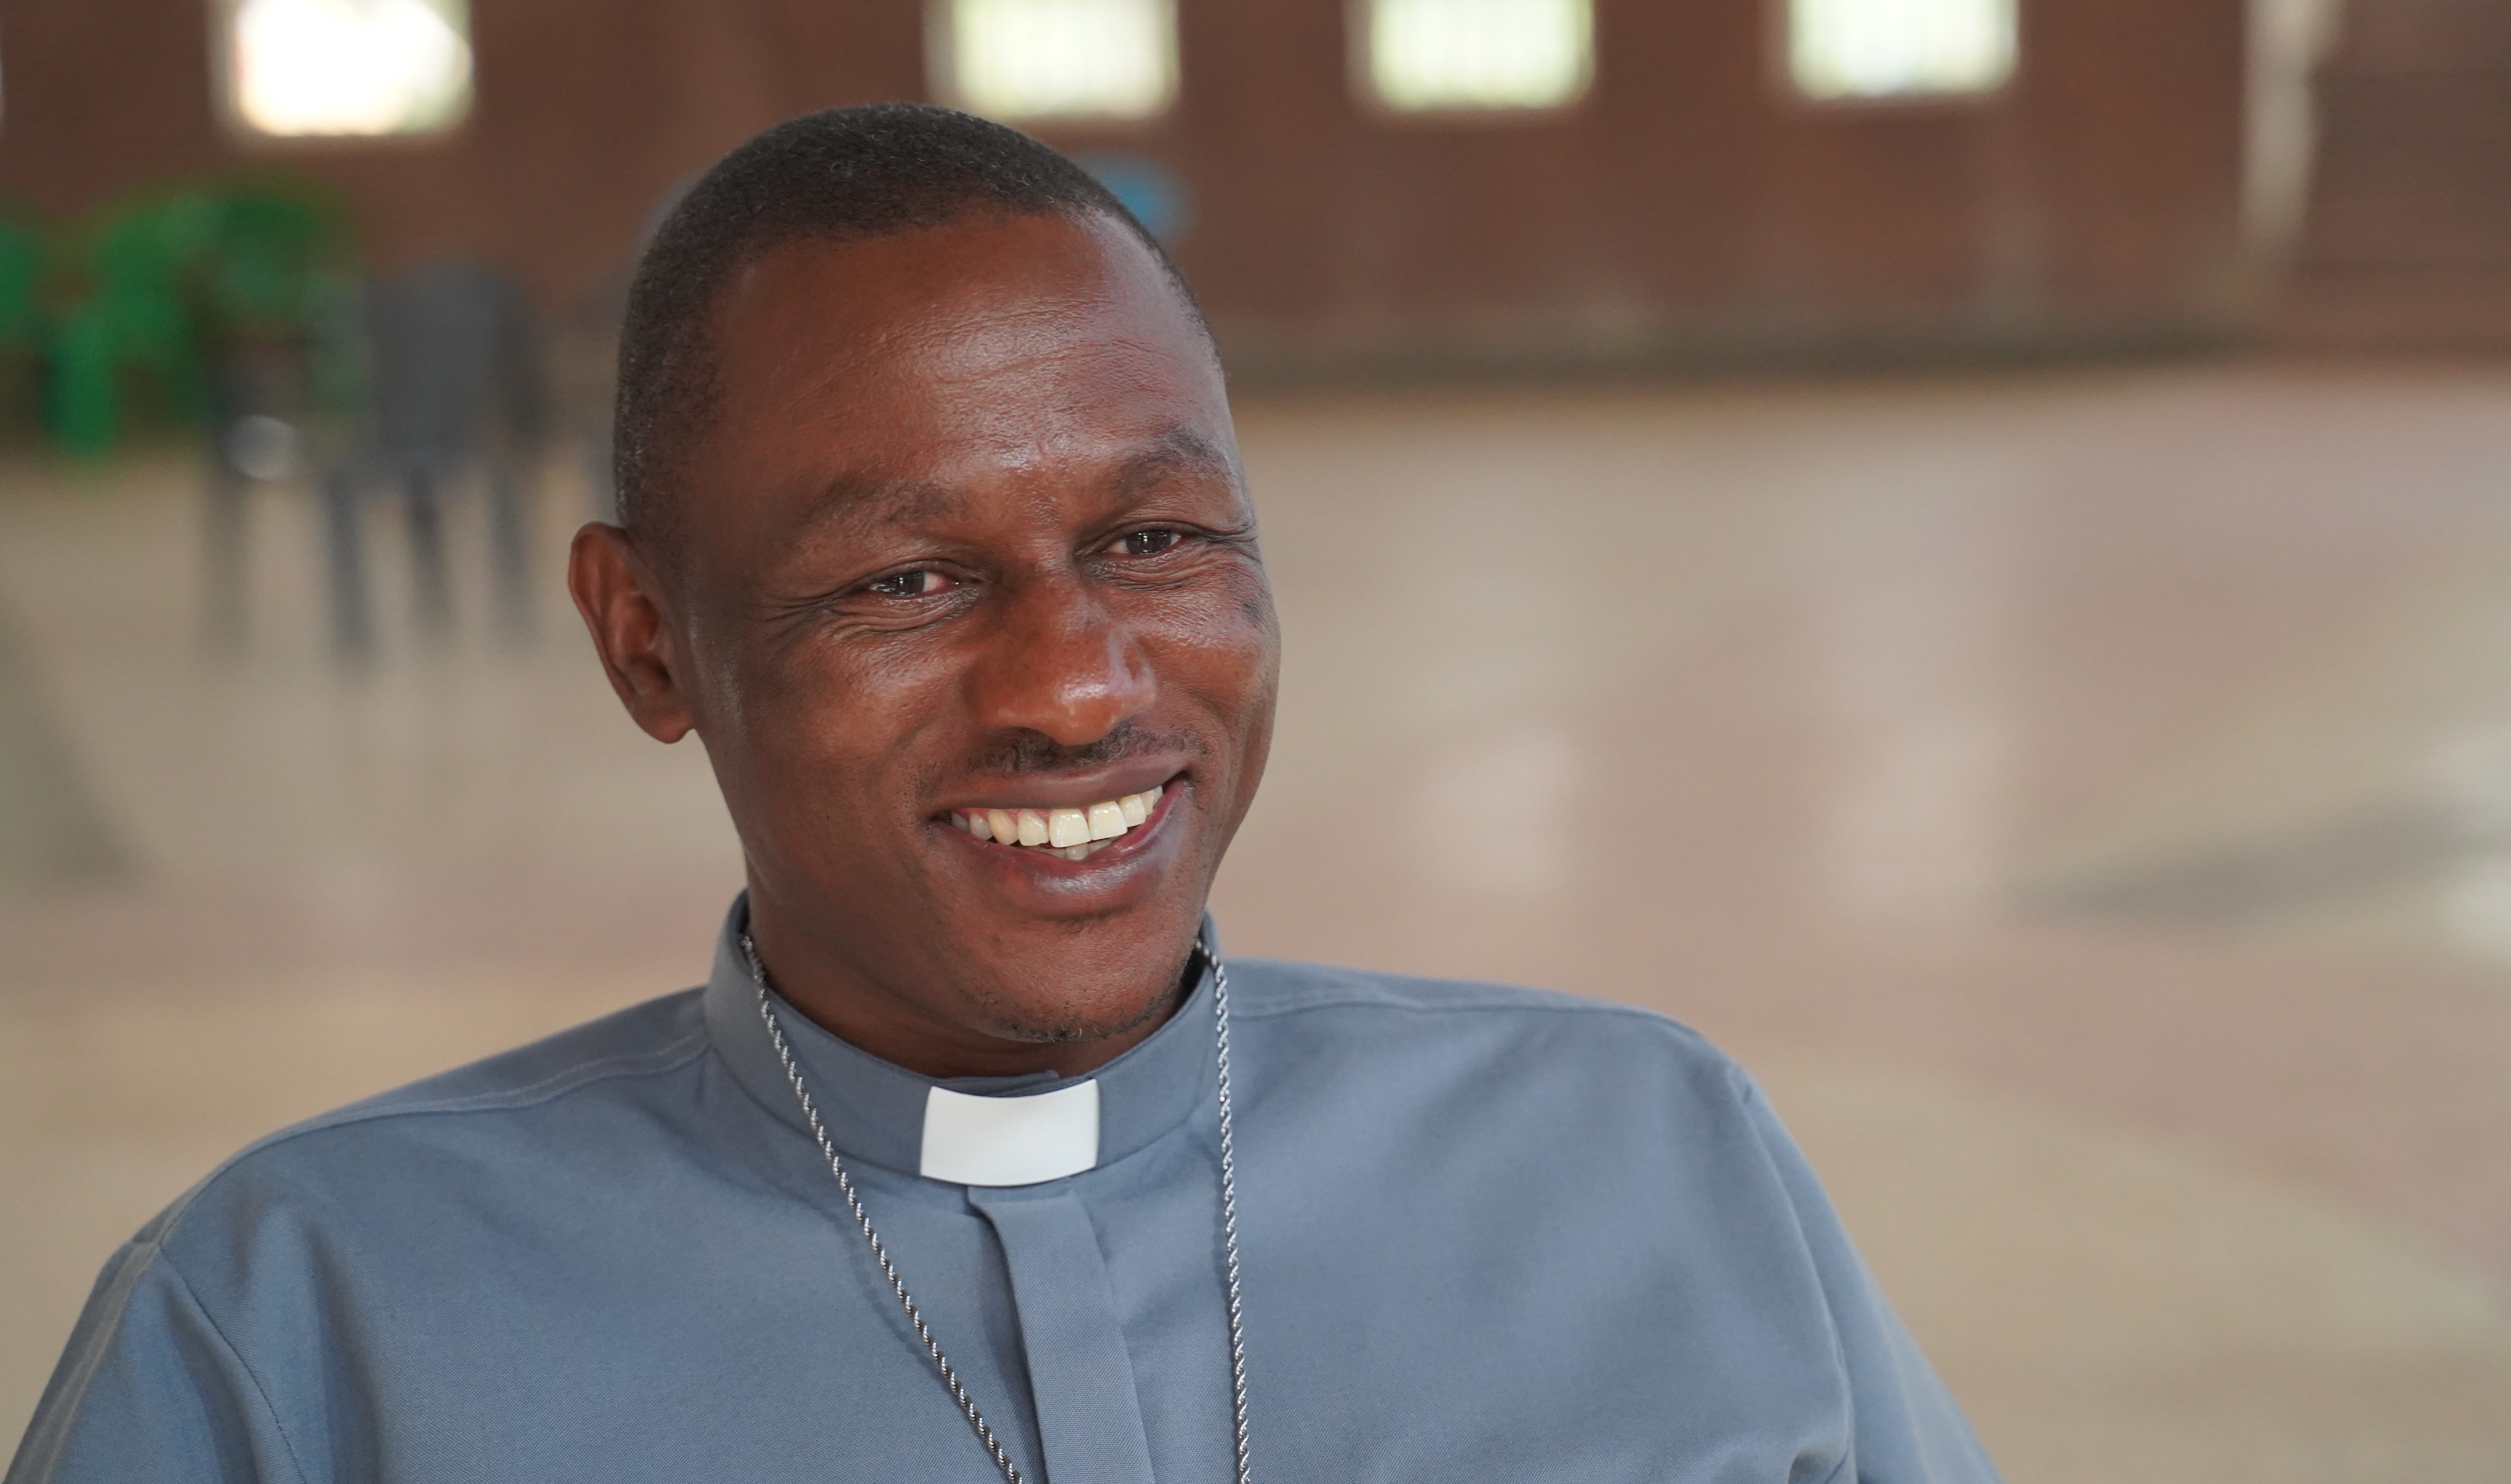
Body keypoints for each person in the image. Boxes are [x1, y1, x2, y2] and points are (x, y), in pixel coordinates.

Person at [7, 106, 1998, 1484]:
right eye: (903, 579)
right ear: (645, 643)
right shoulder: (299, 1328)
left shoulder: (1646, 1159)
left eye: (1153, 539)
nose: (1074, 687)